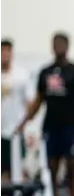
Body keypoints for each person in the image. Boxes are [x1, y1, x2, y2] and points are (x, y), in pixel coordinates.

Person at [16, 32, 74, 196]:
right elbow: (38, 101)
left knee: (72, 168)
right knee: (50, 170)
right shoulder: (45, 72)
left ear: (67, 46)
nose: (57, 47)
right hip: (51, 127)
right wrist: (23, 122)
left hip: (71, 127)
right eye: (54, 44)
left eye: (60, 44)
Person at [0, 39, 35, 179]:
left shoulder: (21, 75)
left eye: (7, 51)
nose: (5, 55)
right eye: (2, 51)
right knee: (2, 172)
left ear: (11, 53)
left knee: (17, 170)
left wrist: (28, 127)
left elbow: (30, 103)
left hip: (16, 131)